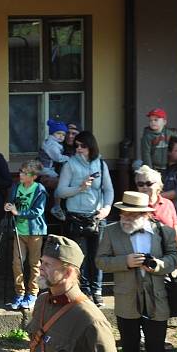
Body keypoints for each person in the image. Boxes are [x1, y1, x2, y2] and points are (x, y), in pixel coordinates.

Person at [96, 191, 177, 352]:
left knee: (156, 348)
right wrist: (124, 261)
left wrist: (158, 265)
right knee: (130, 349)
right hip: (127, 299)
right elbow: (100, 261)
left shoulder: (163, 231)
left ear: (145, 214)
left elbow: (175, 256)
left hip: (156, 299)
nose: (125, 217)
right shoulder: (110, 231)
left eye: (131, 214)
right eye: (123, 213)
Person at [25, 235, 125, 352]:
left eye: (48, 264)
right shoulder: (42, 301)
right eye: (41, 262)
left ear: (68, 273)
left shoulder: (91, 321)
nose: (40, 267)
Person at [55, 130, 113, 306]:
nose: (79, 148)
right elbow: (60, 191)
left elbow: (108, 189)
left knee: (97, 255)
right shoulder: (70, 165)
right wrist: (79, 188)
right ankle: (85, 290)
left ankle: (97, 290)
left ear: (91, 146)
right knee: (80, 256)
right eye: (76, 145)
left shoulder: (101, 164)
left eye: (83, 146)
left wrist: (107, 208)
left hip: (97, 216)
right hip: (76, 216)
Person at [5, 160, 47, 311]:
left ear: (33, 176)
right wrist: (8, 206)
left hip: (35, 231)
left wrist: (19, 212)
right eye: (21, 171)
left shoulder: (39, 189)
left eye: (25, 173)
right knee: (17, 262)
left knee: (34, 263)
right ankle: (19, 293)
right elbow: (10, 202)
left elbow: (38, 212)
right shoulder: (16, 186)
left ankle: (33, 293)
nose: (21, 174)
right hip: (18, 230)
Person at [135, 165, 177, 272]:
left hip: (166, 257)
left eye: (148, 183)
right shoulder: (133, 208)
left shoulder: (168, 204)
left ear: (158, 186)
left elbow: (175, 231)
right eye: (140, 184)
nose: (144, 187)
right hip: (142, 261)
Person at [140, 107, 177, 173]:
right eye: (150, 120)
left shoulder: (170, 134)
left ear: (164, 122)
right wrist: (150, 170)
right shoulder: (147, 136)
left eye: (156, 120)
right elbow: (146, 154)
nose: (152, 122)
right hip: (154, 168)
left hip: (170, 167)